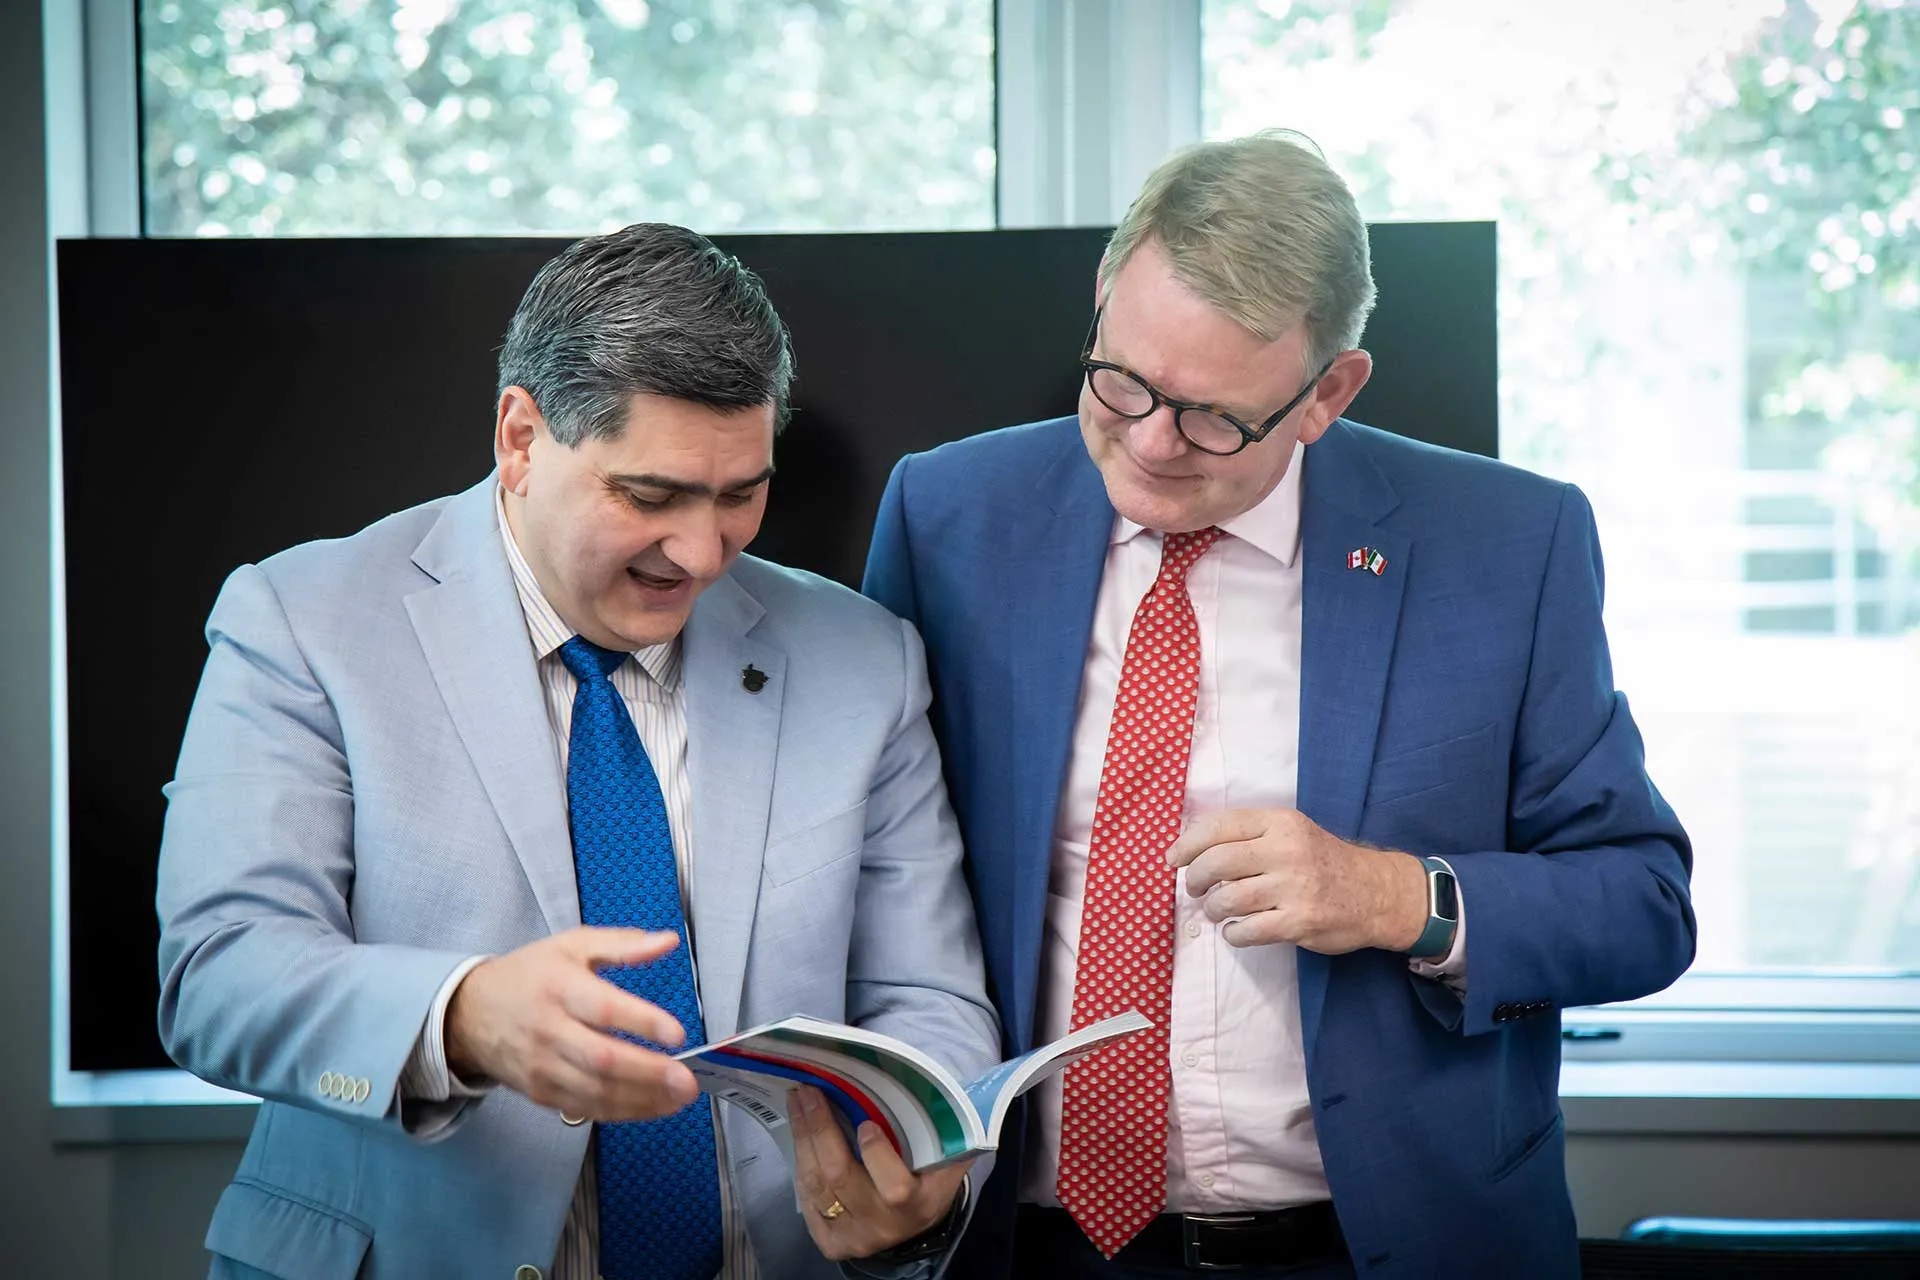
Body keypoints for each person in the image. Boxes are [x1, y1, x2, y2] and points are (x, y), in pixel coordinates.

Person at [862, 131, 1696, 1279]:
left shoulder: (1510, 545)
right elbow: (880, 863)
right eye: (1124, 381)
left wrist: (1397, 894)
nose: (1151, 443)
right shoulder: (949, 514)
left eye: (1214, 416)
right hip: (1026, 1242)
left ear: (1328, 392)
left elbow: (1643, 900)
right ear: (1104, 297)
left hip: (1377, 1245)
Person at [156, 222, 999, 1280]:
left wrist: (919, 1169)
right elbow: (220, 972)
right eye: (649, 496)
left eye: (741, 493)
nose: (700, 554)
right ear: (521, 438)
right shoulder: (304, 619)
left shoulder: (864, 660)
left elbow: (930, 998)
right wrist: (462, 1018)